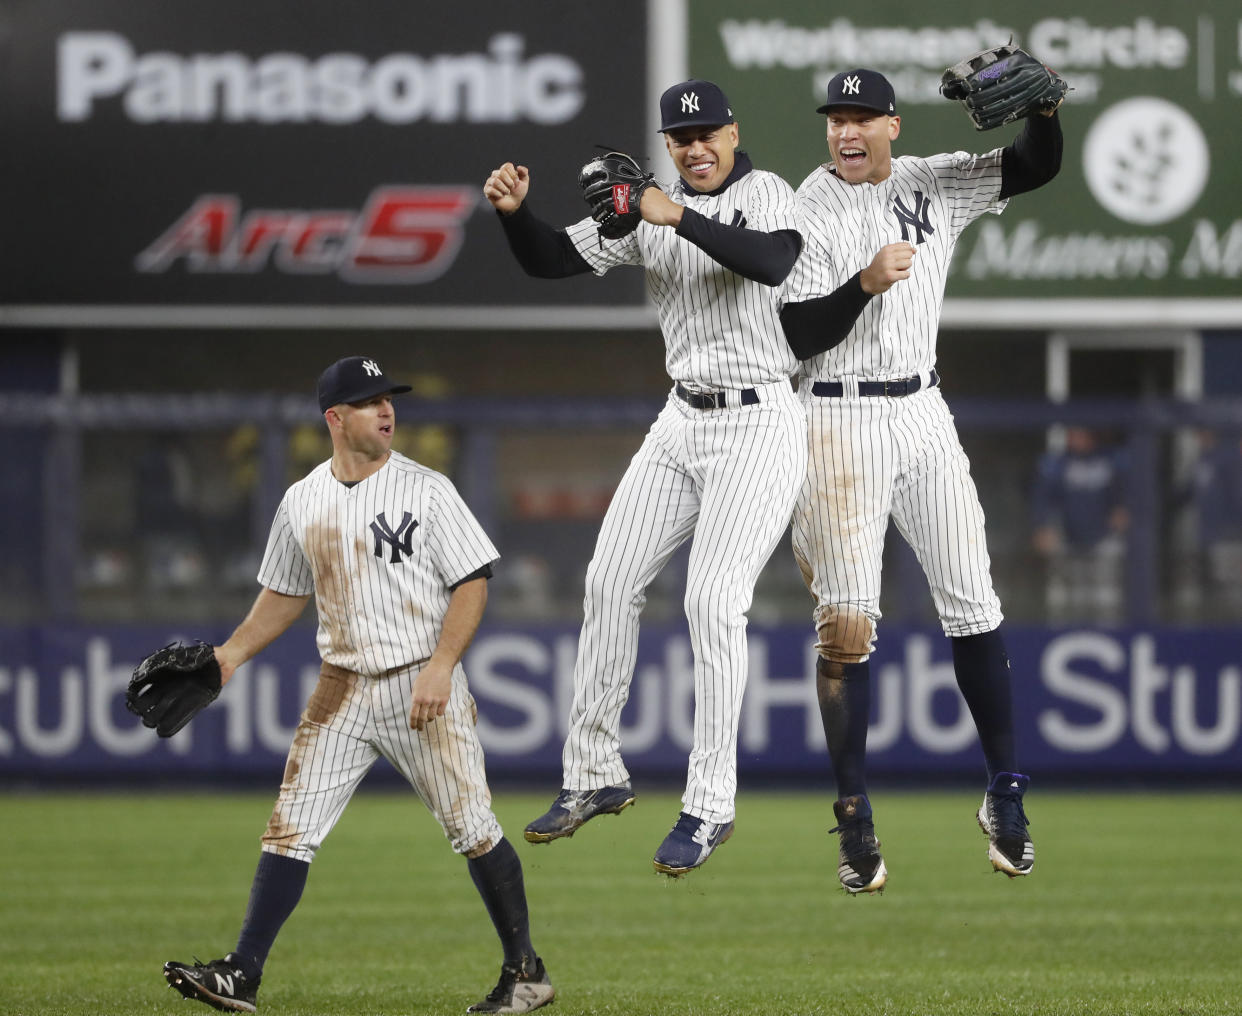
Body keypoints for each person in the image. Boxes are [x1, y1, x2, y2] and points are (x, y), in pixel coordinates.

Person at [482, 79, 811, 876]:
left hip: (761, 418)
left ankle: (709, 804)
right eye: (680, 136)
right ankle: (594, 774)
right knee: (608, 581)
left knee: (711, 600)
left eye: (707, 133)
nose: (695, 146)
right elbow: (553, 259)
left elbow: (774, 261)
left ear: (733, 133)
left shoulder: (770, 193)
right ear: (667, 144)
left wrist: (677, 216)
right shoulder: (649, 208)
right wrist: (515, 216)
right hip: (682, 417)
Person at [162, 355, 553, 1015]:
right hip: (339, 688)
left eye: (388, 399)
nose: (387, 410)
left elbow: (473, 580)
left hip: (420, 685)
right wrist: (228, 657)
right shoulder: (302, 498)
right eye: (370, 401)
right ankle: (242, 974)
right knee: (290, 830)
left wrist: (441, 665)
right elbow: (284, 594)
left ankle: (526, 974)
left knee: (473, 828)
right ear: (335, 418)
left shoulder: (427, 489)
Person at [778, 68, 1064, 892]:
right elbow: (796, 331)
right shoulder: (807, 206)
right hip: (835, 417)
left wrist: (1044, 110)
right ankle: (855, 817)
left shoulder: (935, 181)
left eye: (863, 116)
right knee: (848, 627)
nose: (847, 130)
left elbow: (1034, 166)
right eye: (836, 117)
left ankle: (1006, 792)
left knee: (974, 601)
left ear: (893, 127)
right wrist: (864, 282)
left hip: (922, 411)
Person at [1031, 425, 1130, 620]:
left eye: (1081, 433)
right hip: (1069, 537)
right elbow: (1042, 498)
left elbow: (1127, 491)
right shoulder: (1058, 463)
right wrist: (1042, 526)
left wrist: (1122, 507)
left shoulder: (1110, 459)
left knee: (1105, 599)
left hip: (1104, 537)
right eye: (1073, 434)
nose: (1076, 438)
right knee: (1071, 600)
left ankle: (1109, 636)